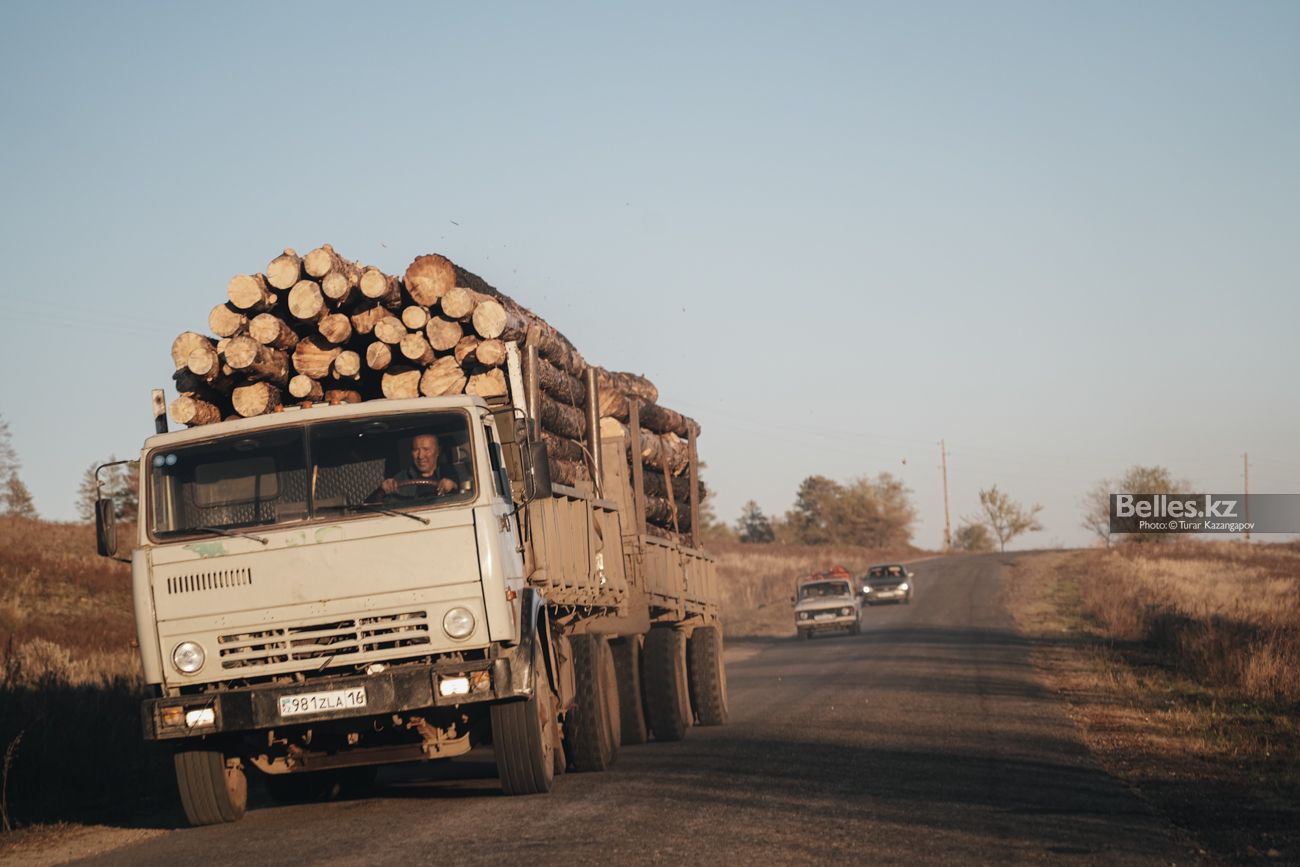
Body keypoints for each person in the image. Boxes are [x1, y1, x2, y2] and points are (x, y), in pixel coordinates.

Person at [374, 434, 465, 502]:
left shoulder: (454, 473)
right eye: (415, 450)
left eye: (426, 449)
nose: (420, 456)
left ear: (438, 452)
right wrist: (383, 489)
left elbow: (469, 494)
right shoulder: (400, 478)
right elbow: (372, 506)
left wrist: (454, 485)